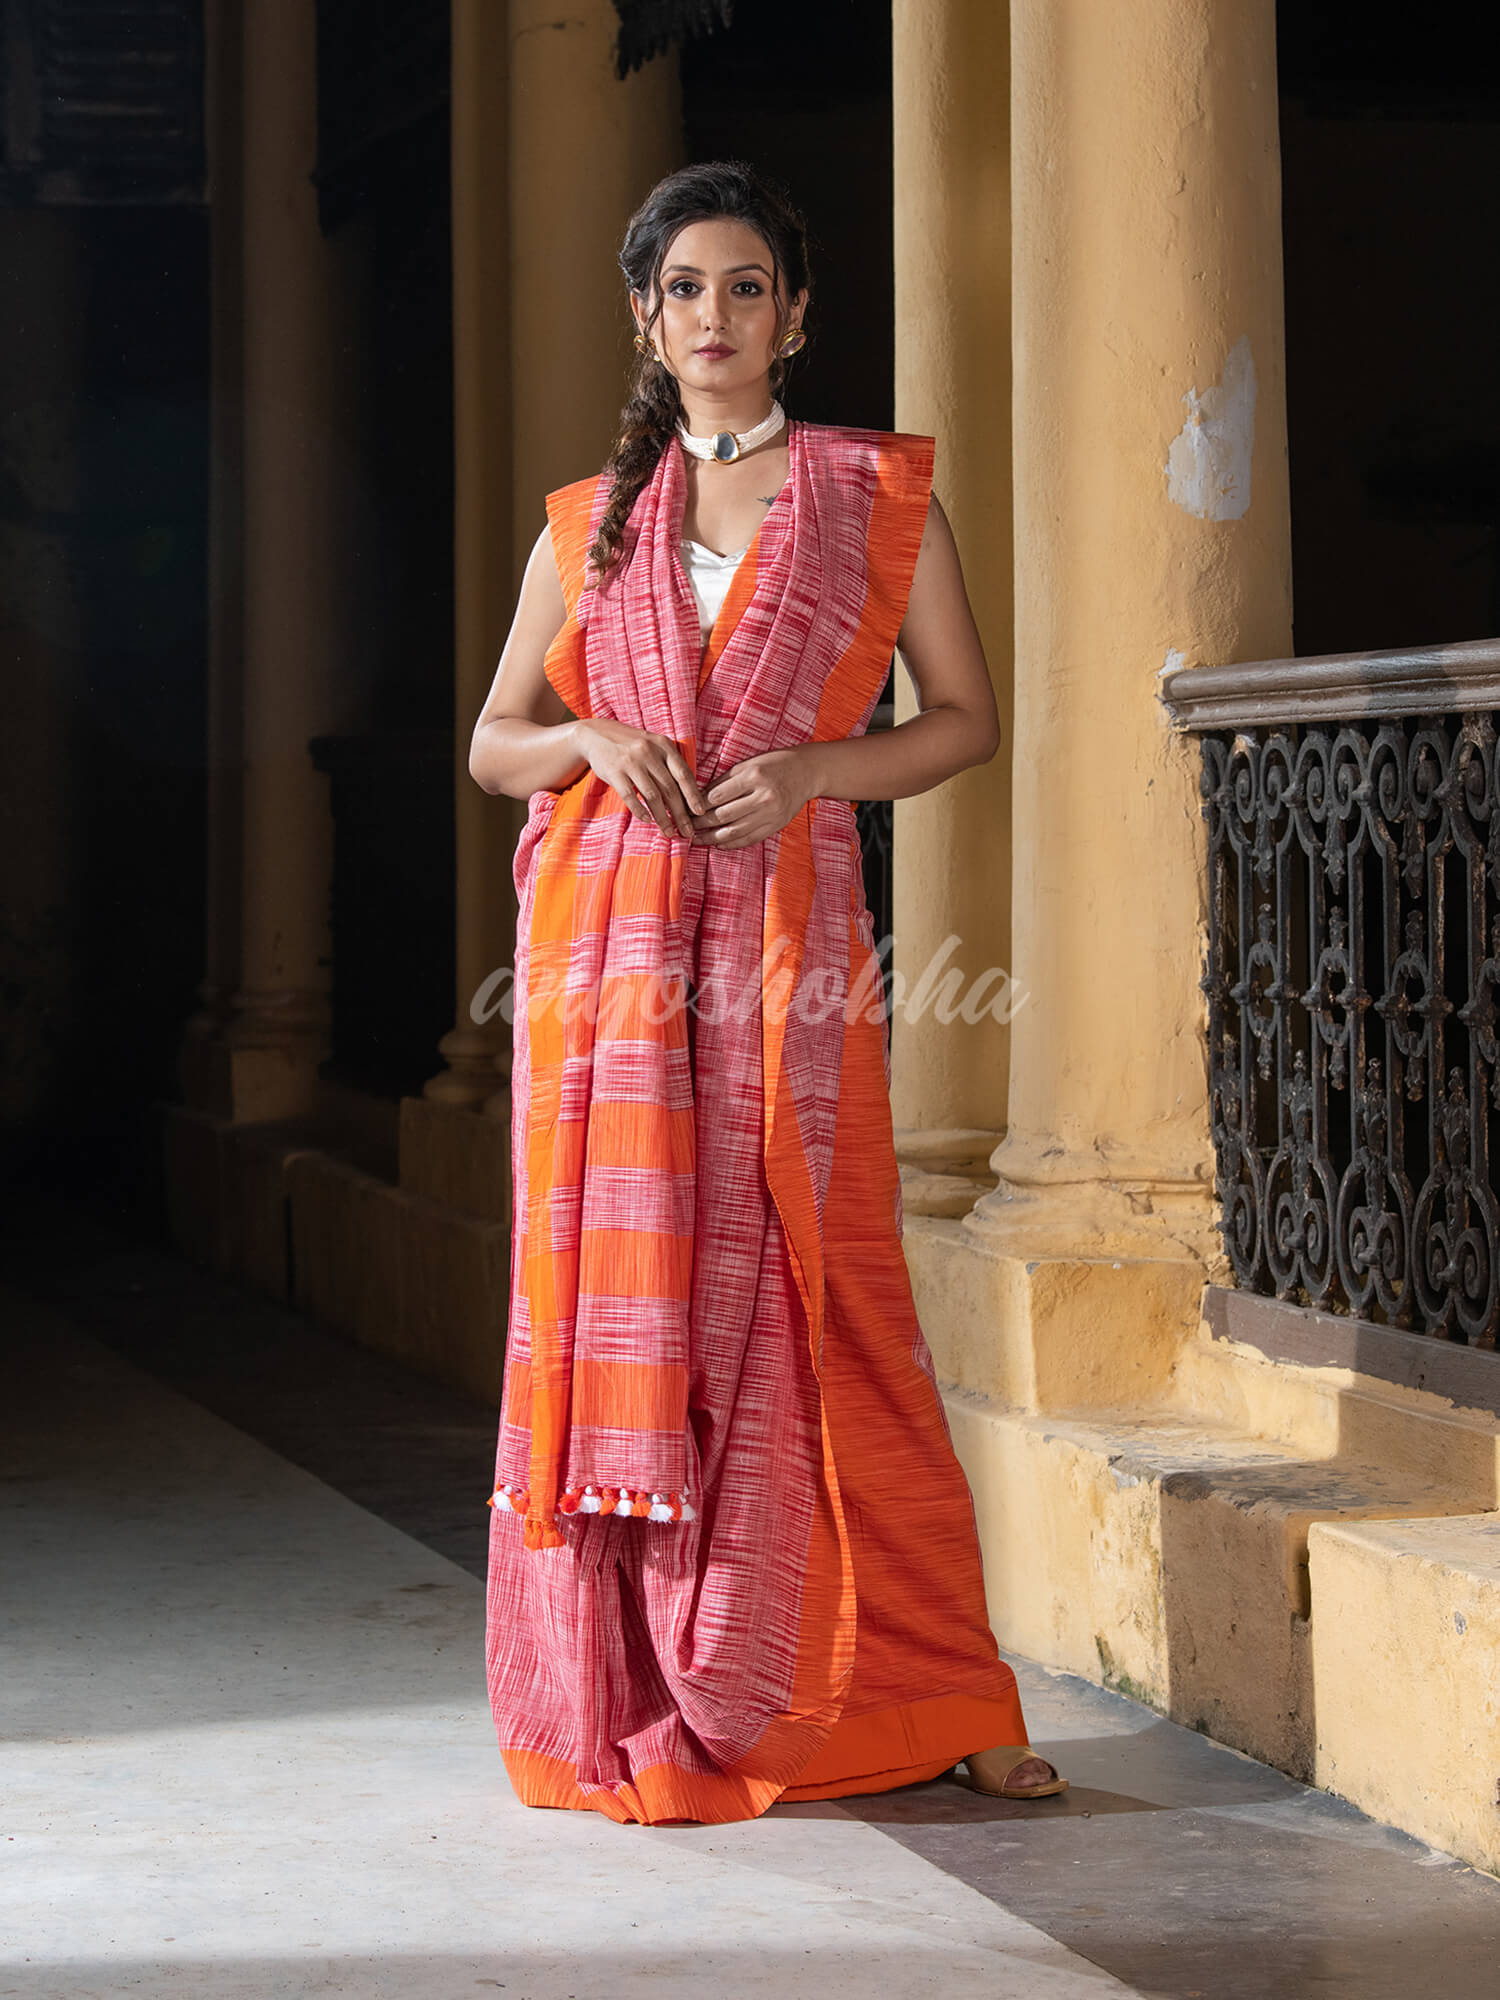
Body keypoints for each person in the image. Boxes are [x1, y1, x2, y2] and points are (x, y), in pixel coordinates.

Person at [467, 159, 1066, 1825]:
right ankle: (633, 1688)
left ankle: (939, 1689)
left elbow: (964, 720)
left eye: (748, 289)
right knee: (615, 1322)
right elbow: (492, 738)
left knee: (830, 1300)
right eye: (684, 292)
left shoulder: (874, 501)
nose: (716, 319)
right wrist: (587, 738)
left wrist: (815, 766)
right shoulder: (586, 528)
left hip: (791, 960)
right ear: (644, 321)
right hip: (608, 977)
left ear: (796, 317)